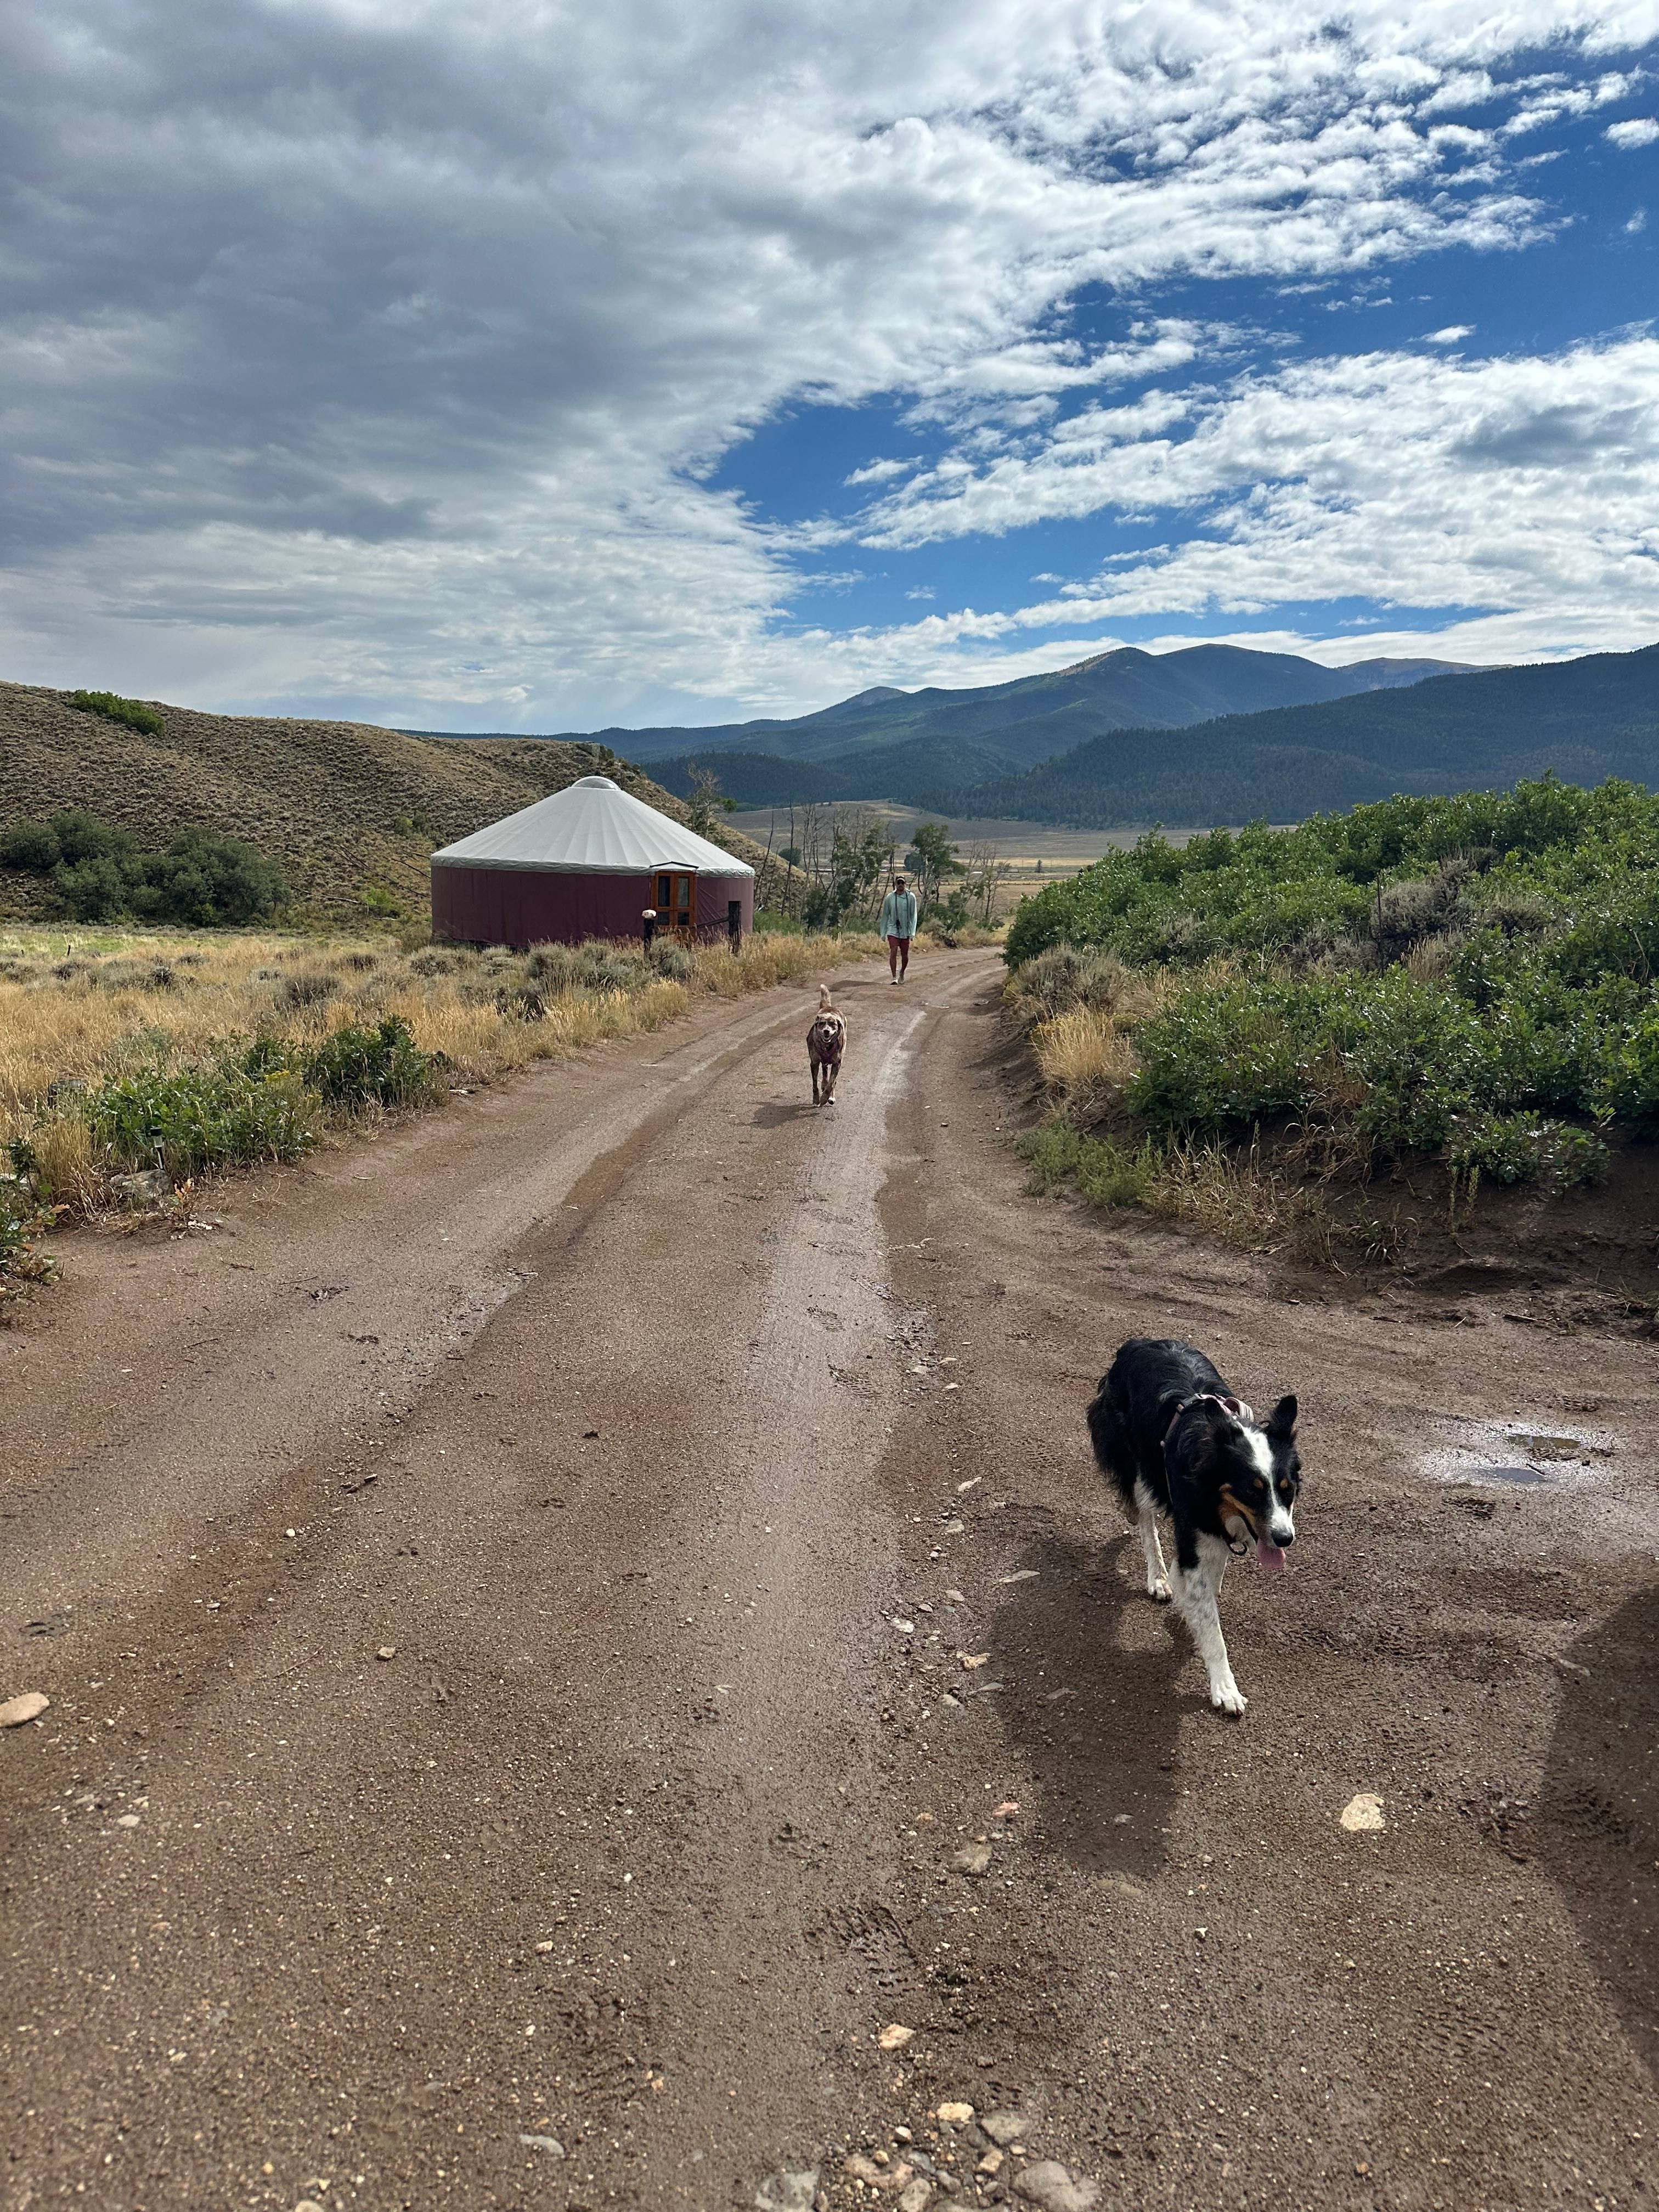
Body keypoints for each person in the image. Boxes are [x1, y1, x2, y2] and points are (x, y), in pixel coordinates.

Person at [879, 874, 918, 983]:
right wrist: (883, 933)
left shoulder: (911, 897)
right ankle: (894, 977)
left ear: (905, 884)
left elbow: (914, 915)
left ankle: (902, 972)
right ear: (896, 884)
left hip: (905, 929)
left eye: (902, 883)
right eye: (899, 883)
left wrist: (913, 932)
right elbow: (885, 915)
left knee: (905, 955)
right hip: (892, 929)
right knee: (893, 951)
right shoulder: (890, 897)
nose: (900, 885)